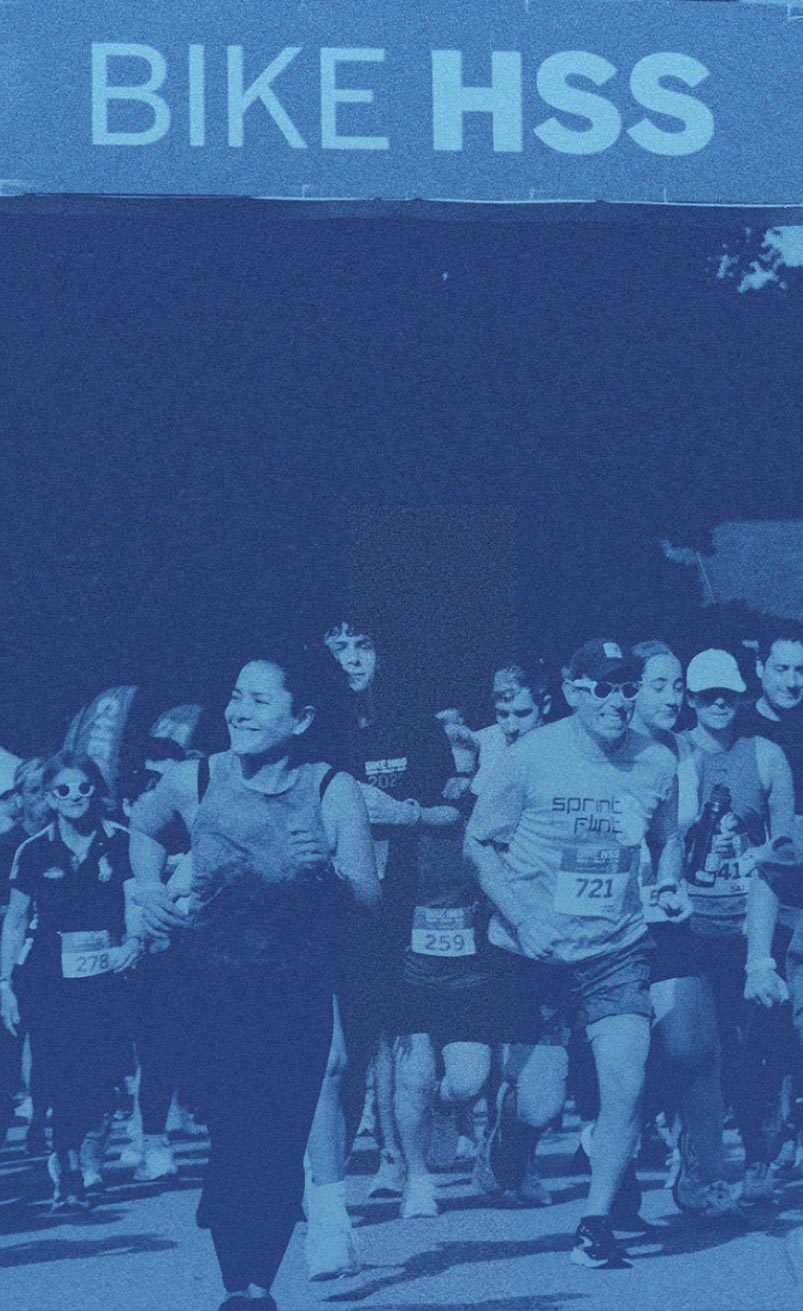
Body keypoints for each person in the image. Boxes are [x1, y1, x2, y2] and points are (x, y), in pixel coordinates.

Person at [129, 649, 380, 1311]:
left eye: (258, 700)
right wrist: (144, 886)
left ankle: (249, 1289)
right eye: (236, 695)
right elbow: (144, 824)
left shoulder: (331, 789)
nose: (238, 710)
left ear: (301, 717)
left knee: (272, 1140)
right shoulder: (198, 776)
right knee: (234, 1133)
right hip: (204, 989)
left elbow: (368, 896)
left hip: (294, 992)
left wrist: (325, 870)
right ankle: (237, 1247)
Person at [466, 638, 685, 1269]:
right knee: (539, 1101)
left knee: (628, 1080)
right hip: (536, 952)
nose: (617, 701)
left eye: (626, 687)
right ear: (572, 691)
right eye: (603, 688)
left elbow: (666, 838)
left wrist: (666, 880)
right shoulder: (531, 755)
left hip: (617, 950)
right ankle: (507, 1141)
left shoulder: (657, 761)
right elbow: (478, 844)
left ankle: (594, 1224)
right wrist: (520, 916)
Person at [0, 751, 144, 1213]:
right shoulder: (34, 850)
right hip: (47, 976)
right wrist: (3, 982)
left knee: (101, 1075)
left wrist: (133, 943)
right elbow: (16, 920)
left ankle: (91, 1157)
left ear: (97, 791)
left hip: (106, 974)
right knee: (57, 1075)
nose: (75, 797)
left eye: (84, 787)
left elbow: (135, 901)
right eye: (63, 790)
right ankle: (69, 1174)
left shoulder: (122, 843)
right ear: (50, 798)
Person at [683, 647, 795, 1203]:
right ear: (691, 699)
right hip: (690, 929)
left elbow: (783, 851)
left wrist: (765, 950)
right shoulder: (674, 753)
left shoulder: (766, 756)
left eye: (727, 694)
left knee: (755, 1046)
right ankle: (696, 1158)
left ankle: (757, 1159)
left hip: (753, 926)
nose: (719, 704)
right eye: (707, 696)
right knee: (696, 1048)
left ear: (740, 695)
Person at [630, 640, 738, 1216]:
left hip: (666, 917)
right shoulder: (607, 749)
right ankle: (615, 1159)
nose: (673, 698)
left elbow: (679, 840)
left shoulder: (686, 755)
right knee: (618, 1060)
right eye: (659, 686)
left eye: (678, 686)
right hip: (603, 924)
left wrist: (683, 872)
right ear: (632, 690)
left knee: (694, 1047)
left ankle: (701, 1173)